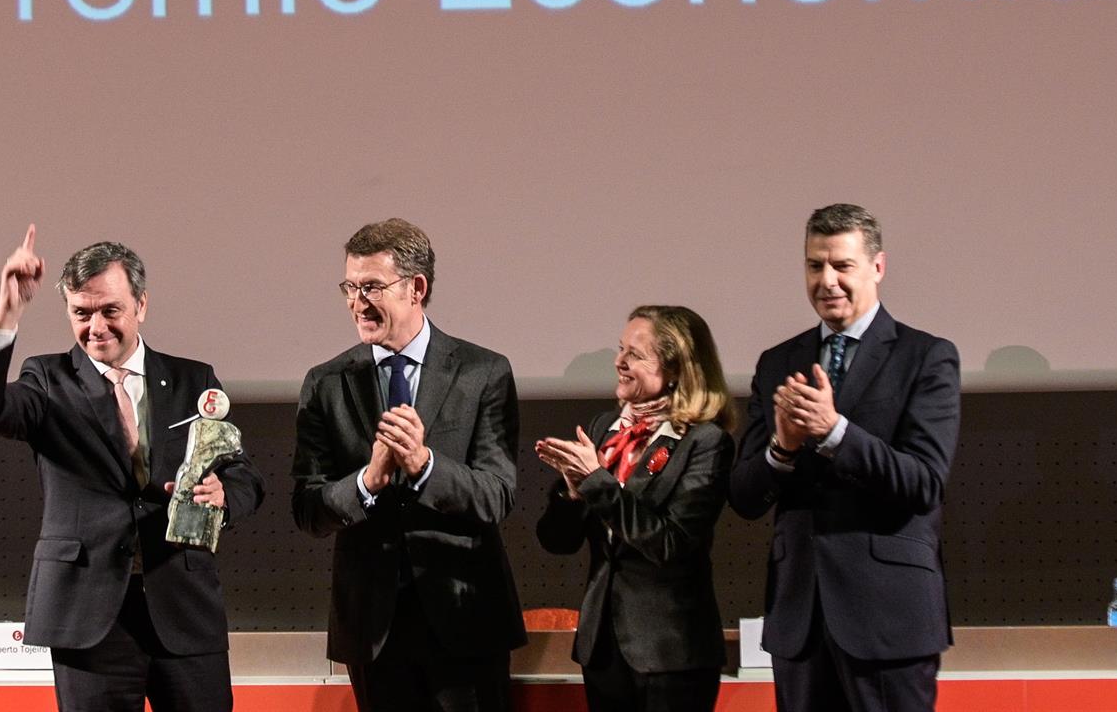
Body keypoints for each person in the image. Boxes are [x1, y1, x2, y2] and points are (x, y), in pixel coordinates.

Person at [0, 225, 264, 712]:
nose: (96, 327)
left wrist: (223, 498)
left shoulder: (193, 380)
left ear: (141, 305)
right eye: (81, 313)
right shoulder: (47, 380)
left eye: (110, 310)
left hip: (183, 609)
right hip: (89, 616)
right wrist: (7, 312)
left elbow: (242, 473)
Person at [729, 204, 961, 712]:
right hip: (800, 619)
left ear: (877, 267)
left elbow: (923, 482)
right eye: (815, 266)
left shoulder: (925, 356)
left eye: (842, 265)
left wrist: (835, 432)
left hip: (888, 618)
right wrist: (782, 448)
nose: (827, 280)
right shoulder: (779, 362)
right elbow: (745, 497)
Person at [290, 217, 525, 711]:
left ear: (416, 288)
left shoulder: (482, 372)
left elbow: (497, 494)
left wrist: (424, 465)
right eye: (349, 287)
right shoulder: (326, 383)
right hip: (372, 630)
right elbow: (308, 508)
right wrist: (367, 481)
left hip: (466, 620)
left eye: (371, 287)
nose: (357, 303)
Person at [535, 305, 737, 712]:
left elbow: (671, 543)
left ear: (677, 368)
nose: (618, 362)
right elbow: (556, 541)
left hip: (671, 652)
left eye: (635, 355)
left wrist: (597, 483)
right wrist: (572, 495)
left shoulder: (705, 443)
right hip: (603, 646)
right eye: (620, 349)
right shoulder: (604, 431)